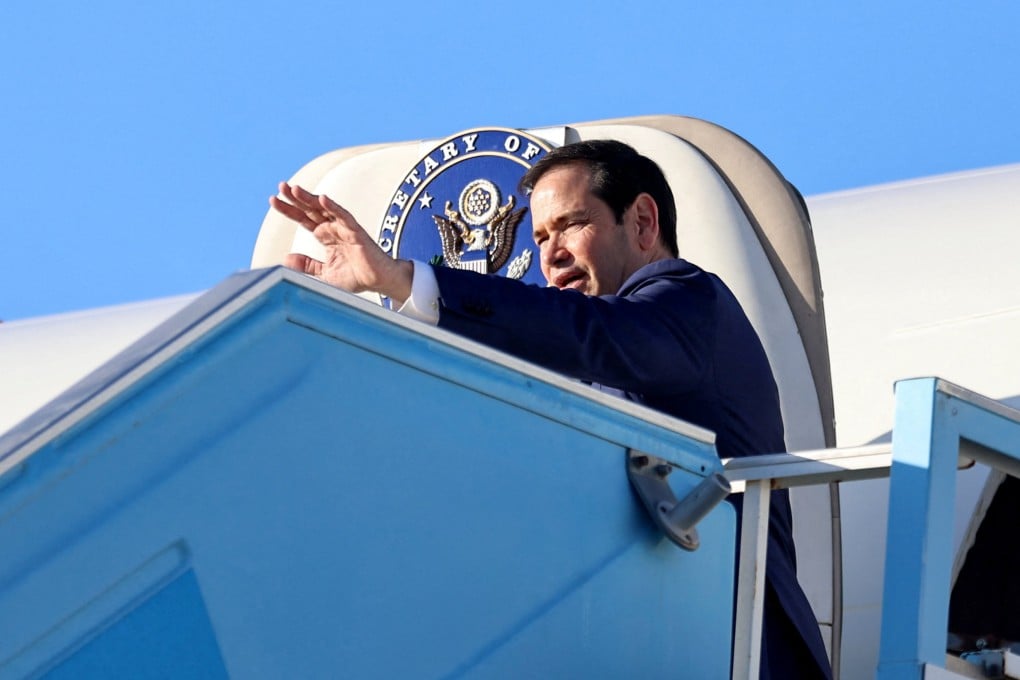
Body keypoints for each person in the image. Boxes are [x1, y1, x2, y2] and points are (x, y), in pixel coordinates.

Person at [270, 139, 833, 679]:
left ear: (642, 222)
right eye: (539, 236)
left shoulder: (686, 301)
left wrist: (401, 278)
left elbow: (583, 333)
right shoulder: (587, 354)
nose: (550, 253)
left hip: (741, 649)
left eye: (571, 224)